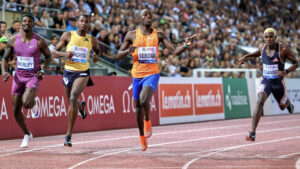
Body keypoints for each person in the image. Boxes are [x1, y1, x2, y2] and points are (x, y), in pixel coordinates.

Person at [116, 9, 196, 151]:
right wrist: (127, 52)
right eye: (145, 15)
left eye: (150, 15)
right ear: (139, 18)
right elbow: (118, 56)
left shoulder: (158, 34)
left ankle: (147, 120)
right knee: (138, 107)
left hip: (152, 73)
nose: (148, 17)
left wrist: (185, 46)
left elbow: (174, 50)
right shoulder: (131, 35)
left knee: (143, 99)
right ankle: (141, 137)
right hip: (137, 75)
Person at [1, 15, 53, 148]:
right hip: (18, 77)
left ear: (33, 25)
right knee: (15, 109)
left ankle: (33, 103)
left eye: (30, 21)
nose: (27, 23)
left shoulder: (40, 41)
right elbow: (4, 59)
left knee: (26, 102)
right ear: (20, 24)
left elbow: (48, 56)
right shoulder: (13, 40)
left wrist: (43, 70)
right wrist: (4, 71)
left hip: (32, 77)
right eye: (24, 21)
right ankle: (27, 134)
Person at [239, 28, 299, 141]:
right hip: (265, 80)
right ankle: (252, 133)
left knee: (282, 106)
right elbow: (258, 52)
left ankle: (287, 103)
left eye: (271, 37)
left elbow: (296, 63)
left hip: (278, 82)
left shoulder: (283, 49)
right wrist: (247, 56)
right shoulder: (262, 46)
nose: (268, 39)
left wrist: (285, 72)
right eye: (266, 37)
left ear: (275, 37)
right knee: (260, 99)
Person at [53, 14, 101, 147]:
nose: (84, 24)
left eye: (86, 22)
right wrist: (65, 54)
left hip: (83, 72)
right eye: (82, 21)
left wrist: (96, 56)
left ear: (89, 25)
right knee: (71, 100)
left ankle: (68, 135)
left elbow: (98, 51)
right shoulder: (67, 35)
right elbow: (54, 53)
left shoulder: (92, 40)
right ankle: (81, 108)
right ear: (77, 23)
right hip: (68, 72)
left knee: (73, 97)